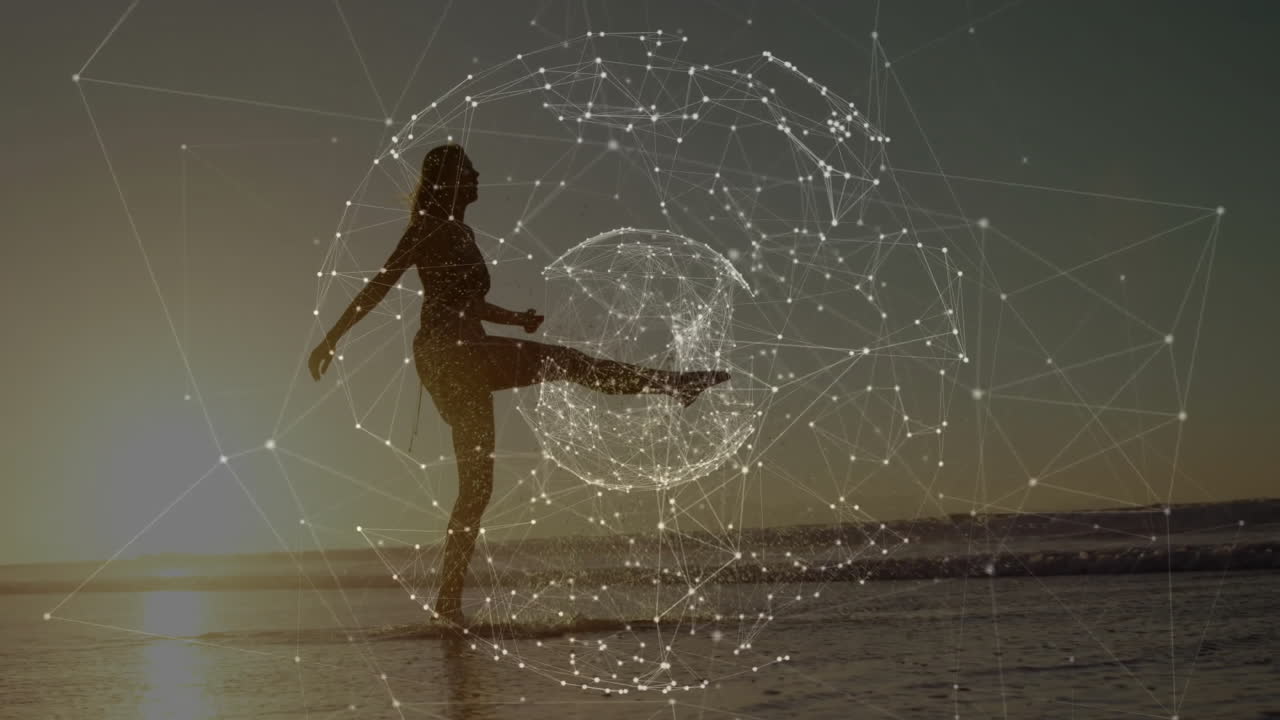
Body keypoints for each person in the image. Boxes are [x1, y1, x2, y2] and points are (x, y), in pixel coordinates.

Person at [309, 144, 729, 625]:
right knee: (567, 361)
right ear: (449, 180)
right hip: (448, 356)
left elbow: (463, 302)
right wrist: (332, 338)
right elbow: (379, 285)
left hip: (468, 351)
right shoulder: (426, 229)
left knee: (477, 487)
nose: (478, 173)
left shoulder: (462, 232)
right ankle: (673, 384)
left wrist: (515, 318)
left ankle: (447, 604)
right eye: (468, 168)